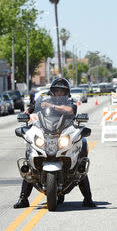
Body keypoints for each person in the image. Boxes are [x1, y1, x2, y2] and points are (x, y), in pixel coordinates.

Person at [13, 77, 96, 209]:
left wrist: (52, 106)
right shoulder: (44, 100)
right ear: (52, 91)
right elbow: (33, 107)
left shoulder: (70, 102)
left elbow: (70, 111)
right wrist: (26, 112)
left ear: (66, 92)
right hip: (46, 131)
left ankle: (88, 198)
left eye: (62, 91)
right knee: (30, 161)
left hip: (64, 130)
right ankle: (23, 198)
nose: (59, 93)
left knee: (80, 165)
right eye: (57, 90)